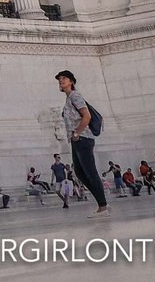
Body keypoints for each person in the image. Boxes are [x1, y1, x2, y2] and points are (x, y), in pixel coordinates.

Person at [56, 70, 108, 216]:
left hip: (83, 138)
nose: (61, 81)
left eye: (64, 78)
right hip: (76, 140)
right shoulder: (69, 99)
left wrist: (76, 133)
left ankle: (103, 206)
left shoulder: (75, 96)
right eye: (59, 79)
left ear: (71, 81)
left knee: (90, 172)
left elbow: (87, 116)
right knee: (80, 172)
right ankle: (102, 202)